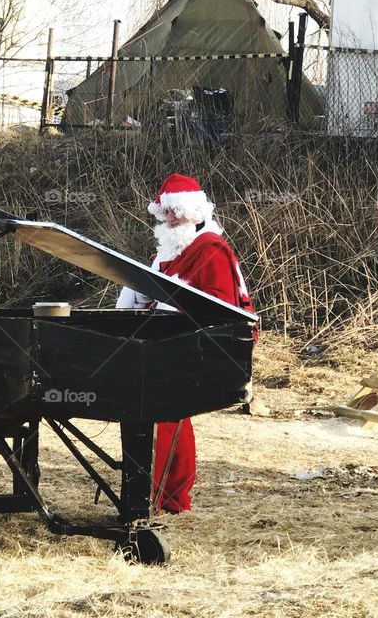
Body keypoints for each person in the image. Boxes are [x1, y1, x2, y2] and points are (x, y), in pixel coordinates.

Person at [116, 173, 253, 513]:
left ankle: (170, 496)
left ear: (194, 210)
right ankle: (152, 493)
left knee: (169, 420)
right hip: (158, 348)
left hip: (190, 351)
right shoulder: (165, 251)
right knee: (153, 419)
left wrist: (170, 309)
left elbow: (219, 307)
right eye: (165, 212)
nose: (170, 218)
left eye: (176, 210)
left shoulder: (211, 250)